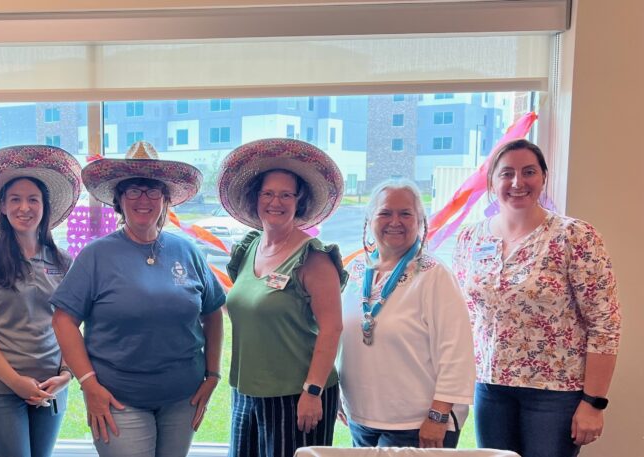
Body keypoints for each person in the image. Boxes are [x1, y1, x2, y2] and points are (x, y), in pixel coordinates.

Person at [51, 141, 225, 457]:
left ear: (165, 199)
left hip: (183, 399)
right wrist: (89, 383)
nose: (142, 200)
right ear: (119, 199)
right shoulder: (96, 255)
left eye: (152, 191)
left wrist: (213, 375)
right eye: (133, 191)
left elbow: (213, 312)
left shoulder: (186, 251)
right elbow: (63, 319)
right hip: (118, 399)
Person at [453, 139, 621, 457]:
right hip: (490, 387)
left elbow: (605, 323)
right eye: (507, 173)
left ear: (543, 177)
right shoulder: (469, 238)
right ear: (491, 182)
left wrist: (594, 402)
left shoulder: (575, 236)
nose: (518, 182)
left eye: (528, 172)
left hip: (555, 393)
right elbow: (466, 314)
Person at [217, 138, 346, 457]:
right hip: (246, 391)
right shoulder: (248, 249)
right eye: (268, 193)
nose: (276, 201)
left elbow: (332, 329)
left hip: (298, 394)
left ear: (298, 202)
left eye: (286, 194)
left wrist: (313, 390)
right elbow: (249, 306)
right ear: (256, 198)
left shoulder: (314, 257)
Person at [0, 145, 82, 457]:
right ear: (2, 206)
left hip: (51, 386)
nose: (24, 207)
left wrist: (66, 374)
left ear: (45, 207)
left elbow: (70, 323)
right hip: (1, 387)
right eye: (15, 199)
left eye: (33, 199)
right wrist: (15, 382)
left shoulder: (62, 260)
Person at [337, 179, 475, 448]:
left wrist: (438, 416)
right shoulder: (356, 270)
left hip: (417, 423)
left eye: (406, 213)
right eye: (385, 213)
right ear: (369, 220)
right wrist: (337, 396)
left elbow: (456, 352)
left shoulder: (434, 275)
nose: (395, 221)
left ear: (421, 221)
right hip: (363, 417)